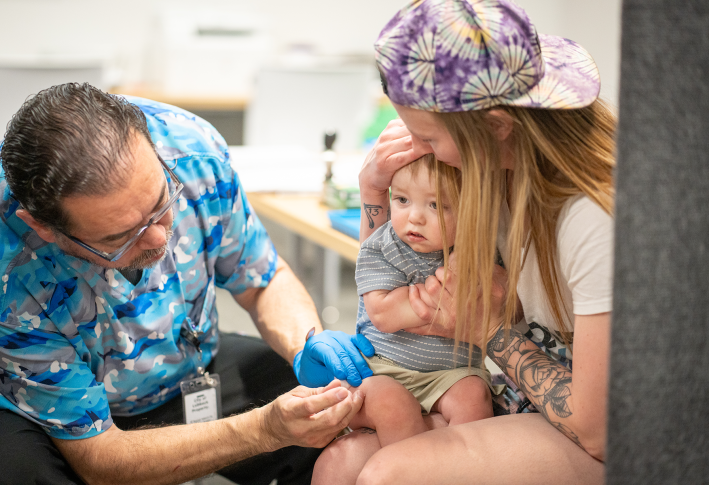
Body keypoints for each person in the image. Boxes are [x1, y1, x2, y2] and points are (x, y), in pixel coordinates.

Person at [0, 83, 375, 485]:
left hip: (192, 366)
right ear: (44, 227)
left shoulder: (192, 149)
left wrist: (305, 345)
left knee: (338, 412)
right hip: (65, 417)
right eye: (120, 238)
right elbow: (100, 458)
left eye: (162, 202)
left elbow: (262, 281)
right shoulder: (11, 271)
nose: (160, 240)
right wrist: (263, 431)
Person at [312, 0, 615, 483]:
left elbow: (599, 429)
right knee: (340, 463)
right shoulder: (488, 177)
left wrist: (489, 330)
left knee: (386, 474)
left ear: (496, 127)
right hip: (521, 392)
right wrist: (374, 190)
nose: (418, 152)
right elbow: (387, 288)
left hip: (609, 431)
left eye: (427, 139)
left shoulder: (592, 218)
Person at [342, 154, 502, 451]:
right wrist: (453, 287)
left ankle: (464, 472)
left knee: (475, 396)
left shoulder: (480, 251)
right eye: (402, 200)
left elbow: (500, 305)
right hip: (383, 370)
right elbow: (384, 314)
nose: (415, 217)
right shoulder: (381, 245)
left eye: (436, 205)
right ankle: (409, 472)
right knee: (392, 404)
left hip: (452, 372)